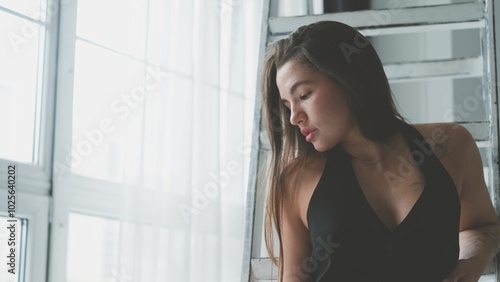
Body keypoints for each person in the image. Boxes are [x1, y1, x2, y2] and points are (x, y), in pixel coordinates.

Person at [261, 21, 500, 282]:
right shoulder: (297, 180)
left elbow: (482, 226)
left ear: (348, 78)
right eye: (287, 105)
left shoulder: (451, 145)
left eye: (304, 95)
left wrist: (473, 262)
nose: (294, 117)